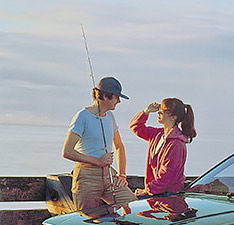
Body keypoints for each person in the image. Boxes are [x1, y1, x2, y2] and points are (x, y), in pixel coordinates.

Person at [62, 77, 136, 211]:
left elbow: (119, 146)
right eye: (117, 97)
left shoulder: (110, 116)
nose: (119, 101)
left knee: (133, 206)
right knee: (89, 219)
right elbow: (67, 151)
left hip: (108, 174)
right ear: (106, 96)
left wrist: (122, 174)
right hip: (86, 176)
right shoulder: (82, 116)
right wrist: (97, 161)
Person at [129, 98, 196, 196]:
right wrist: (146, 112)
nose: (158, 112)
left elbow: (167, 175)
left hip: (169, 196)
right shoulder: (157, 134)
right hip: (156, 191)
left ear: (173, 117)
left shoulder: (176, 143)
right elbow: (135, 127)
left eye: (163, 111)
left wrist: (147, 191)